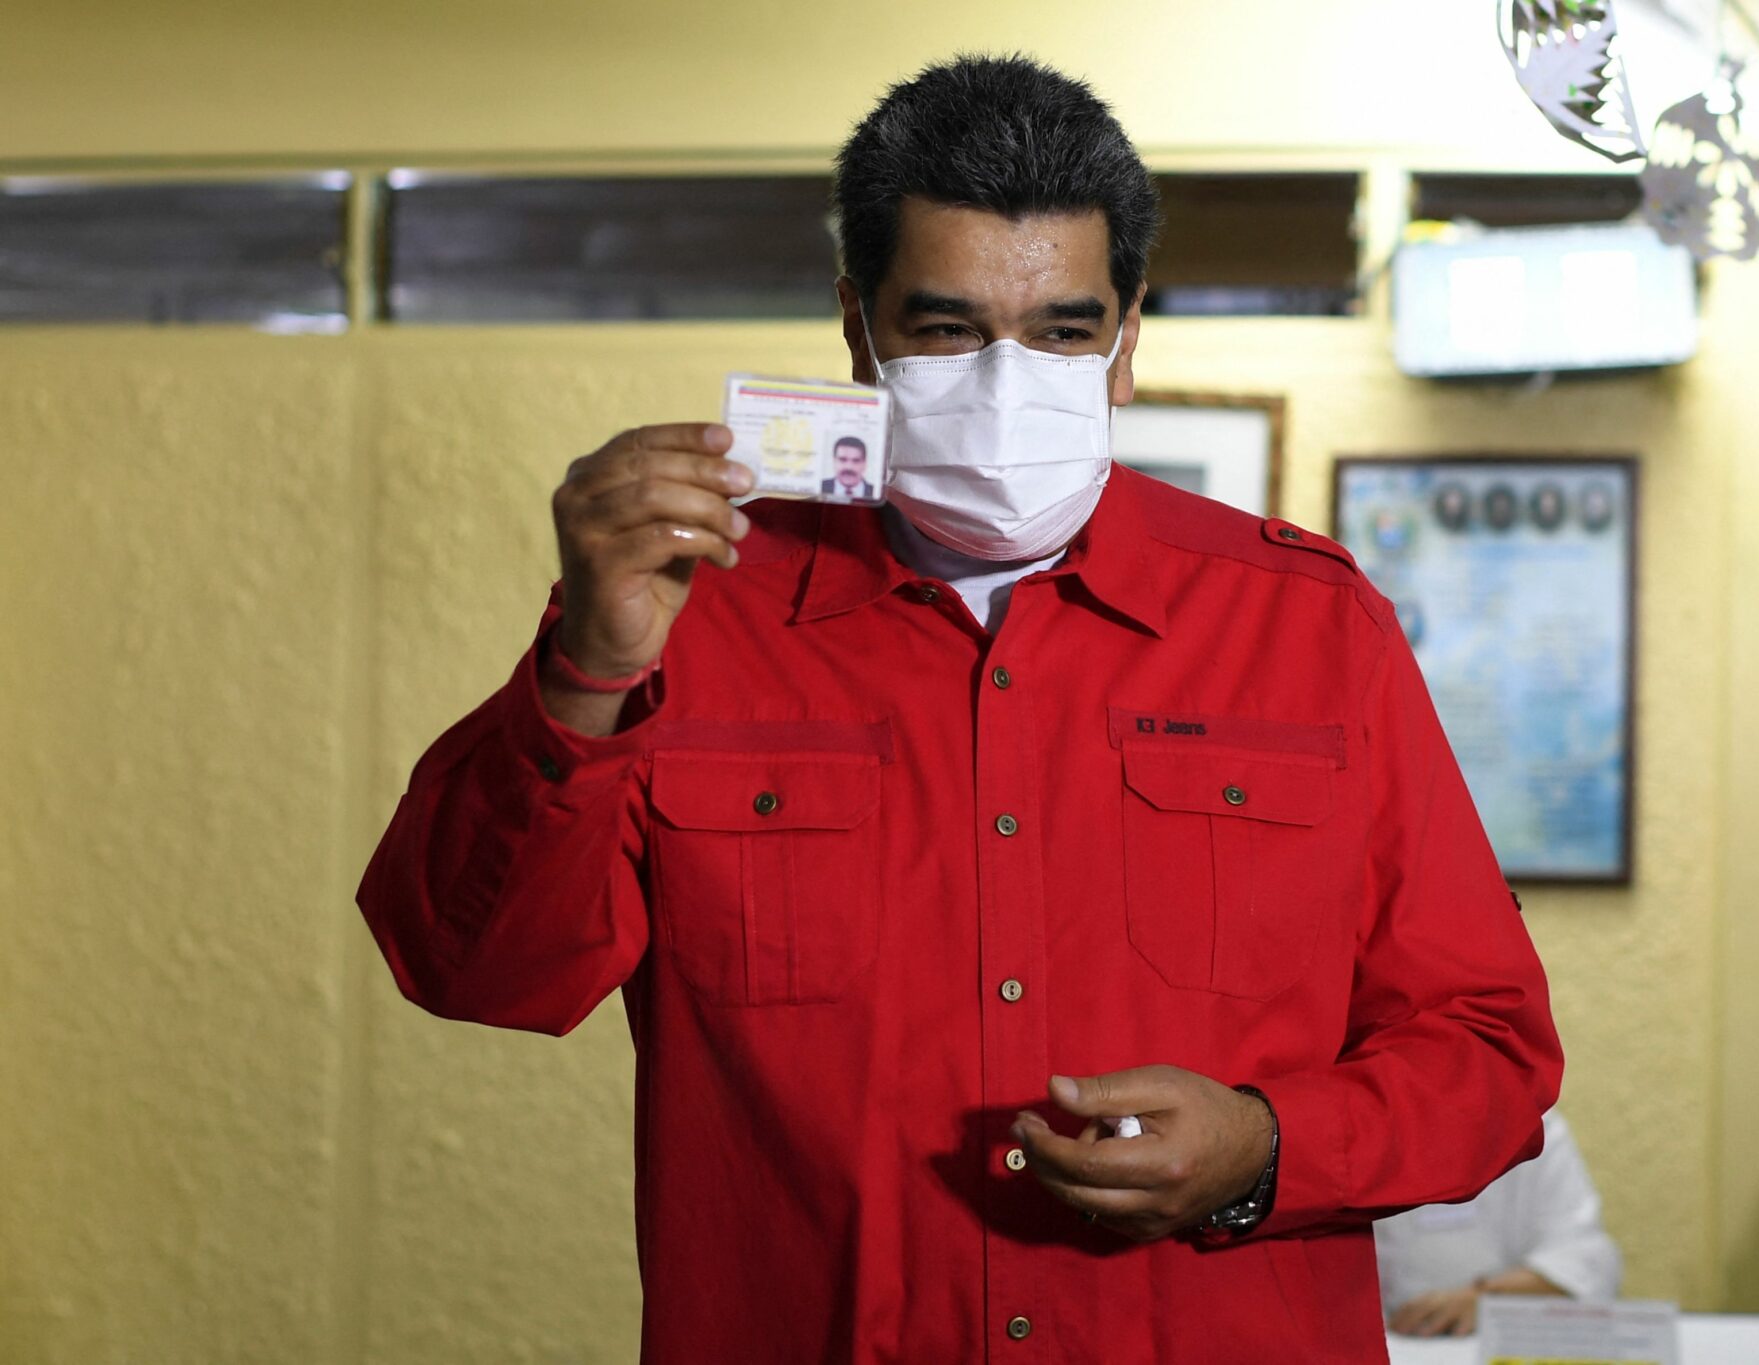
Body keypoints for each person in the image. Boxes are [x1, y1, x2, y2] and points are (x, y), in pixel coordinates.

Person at [357, 54, 1561, 1364]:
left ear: (1129, 337)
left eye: (1060, 329)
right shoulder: (691, 612)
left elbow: (1491, 1052)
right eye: (945, 330)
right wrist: (588, 668)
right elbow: (471, 970)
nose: (1007, 377)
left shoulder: (1309, 626)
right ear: (856, 327)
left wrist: (1267, 1148)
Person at [1374, 1109, 1622, 1338]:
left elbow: (1584, 1263)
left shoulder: (1531, 1123)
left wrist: (1483, 1300)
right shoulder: (1353, 1124)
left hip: (1505, 1342)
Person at [822, 434, 876, 499]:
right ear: (834, 461)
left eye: (856, 461)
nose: (849, 467)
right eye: (842, 459)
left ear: (864, 463)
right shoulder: (820, 487)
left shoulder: (875, 492)